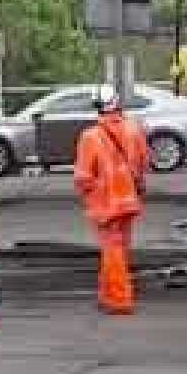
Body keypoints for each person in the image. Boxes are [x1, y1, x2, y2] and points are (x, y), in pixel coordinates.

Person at [73, 85, 150, 315]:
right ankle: (108, 295)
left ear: (97, 108)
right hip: (129, 200)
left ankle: (119, 299)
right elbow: (145, 161)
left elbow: (83, 176)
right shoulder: (134, 129)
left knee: (112, 249)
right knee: (120, 249)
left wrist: (88, 193)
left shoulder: (90, 137)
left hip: (106, 202)